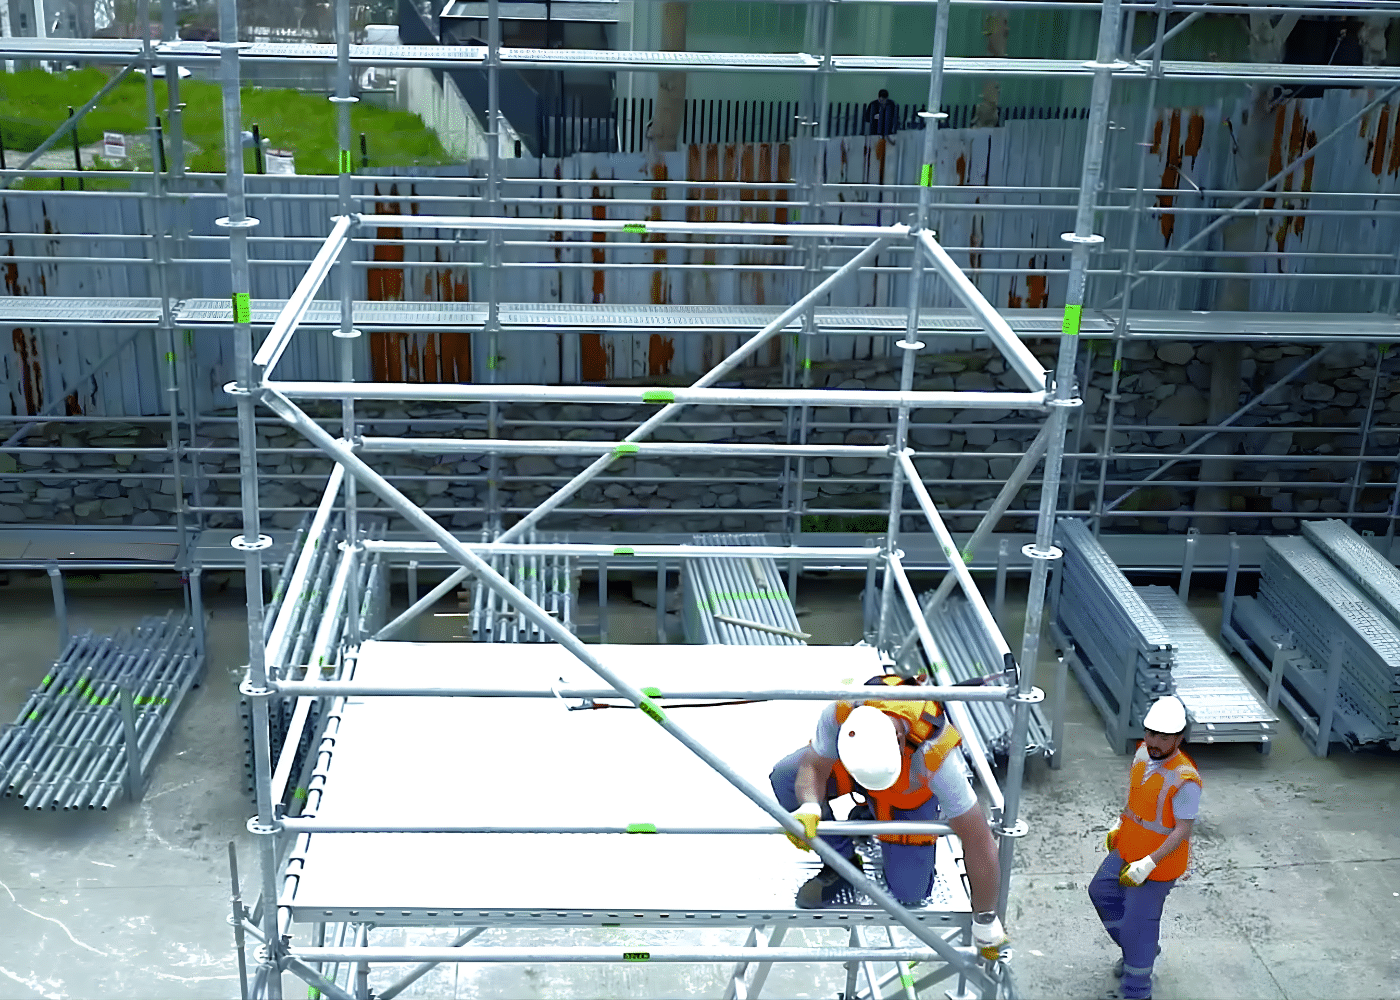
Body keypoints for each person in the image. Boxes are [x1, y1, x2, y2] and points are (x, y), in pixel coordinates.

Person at [770, 674, 1008, 957]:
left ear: (899, 739)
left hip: (906, 798)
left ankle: (873, 818)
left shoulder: (936, 756)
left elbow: (977, 838)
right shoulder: (842, 713)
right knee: (787, 776)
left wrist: (985, 920)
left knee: (911, 893)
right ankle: (841, 863)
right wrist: (809, 807)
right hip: (856, 772)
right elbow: (814, 765)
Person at [1088, 695, 1202, 1000]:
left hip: (1159, 865)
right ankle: (1140, 951)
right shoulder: (1142, 754)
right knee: (1101, 891)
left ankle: (1137, 992)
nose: (1155, 742)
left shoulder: (1185, 780)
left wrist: (1150, 862)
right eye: (1151, 733)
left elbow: (1183, 829)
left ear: (1179, 738)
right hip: (1128, 848)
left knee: (1138, 925)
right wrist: (1119, 822)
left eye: (1164, 737)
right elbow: (1137, 799)